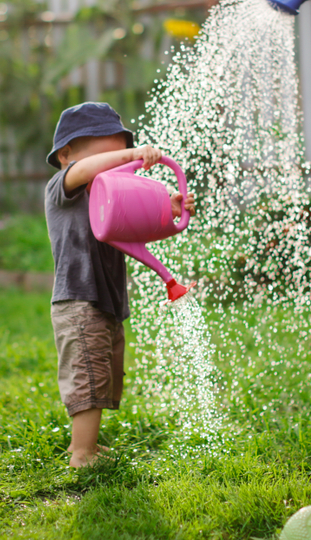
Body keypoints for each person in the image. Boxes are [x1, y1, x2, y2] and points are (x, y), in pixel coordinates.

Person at [45, 102, 195, 467]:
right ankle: (81, 454)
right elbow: (86, 170)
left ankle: (88, 446)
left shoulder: (112, 197)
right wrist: (129, 153)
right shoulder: (63, 188)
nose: (116, 162)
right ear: (66, 155)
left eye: (120, 152)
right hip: (79, 298)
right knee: (89, 375)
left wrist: (169, 209)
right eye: (107, 154)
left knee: (105, 372)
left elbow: (139, 233)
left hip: (107, 300)